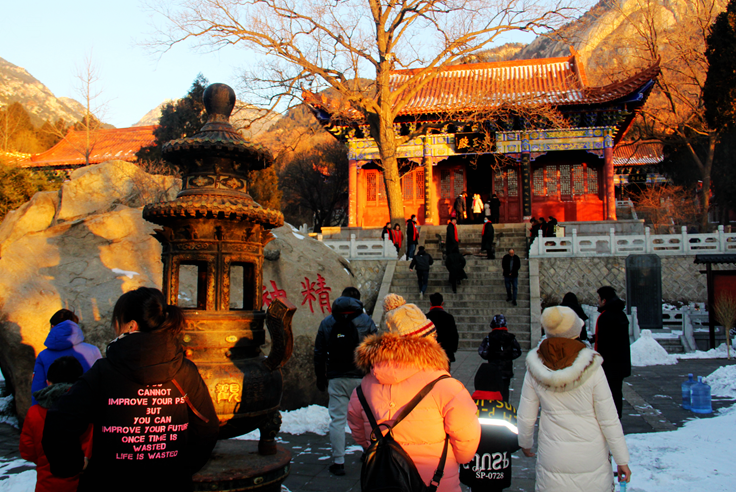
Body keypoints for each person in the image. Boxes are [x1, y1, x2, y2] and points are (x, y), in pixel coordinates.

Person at [42, 287, 219, 492]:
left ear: (131, 326)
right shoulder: (185, 371)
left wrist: (71, 465)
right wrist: (179, 469)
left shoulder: (103, 372)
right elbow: (207, 427)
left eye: (117, 321)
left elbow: (60, 422)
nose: (114, 327)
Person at [347, 294, 481, 492]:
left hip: (383, 479)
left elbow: (358, 429)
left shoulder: (366, 385)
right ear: (426, 341)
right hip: (436, 482)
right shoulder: (446, 386)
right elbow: (466, 445)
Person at [517, 306, 631, 492]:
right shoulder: (591, 366)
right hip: (591, 455)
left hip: (554, 455)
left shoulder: (536, 366)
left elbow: (526, 414)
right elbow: (608, 418)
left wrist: (525, 442)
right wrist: (622, 459)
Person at [314, 287, 378, 476]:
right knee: (367, 417)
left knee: (337, 420)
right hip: (361, 377)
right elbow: (376, 351)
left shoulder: (327, 322)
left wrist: (320, 376)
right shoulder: (366, 321)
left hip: (336, 377)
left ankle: (338, 461)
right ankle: (369, 453)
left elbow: (319, 352)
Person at [21, 356, 93, 492]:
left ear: (48, 382)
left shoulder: (34, 413)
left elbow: (27, 451)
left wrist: (45, 460)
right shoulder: (91, 408)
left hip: (47, 484)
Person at [461, 365, 520, 492]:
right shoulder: (508, 410)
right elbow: (518, 441)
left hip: (472, 469)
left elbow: (456, 436)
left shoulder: (466, 409)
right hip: (499, 471)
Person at [31, 309, 102, 405]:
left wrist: (37, 411)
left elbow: (38, 389)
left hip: (53, 409)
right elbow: (102, 382)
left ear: (52, 327)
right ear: (76, 327)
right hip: (86, 408)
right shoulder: (93, 350)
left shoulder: (43, 355)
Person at [594, 286, 631, 419]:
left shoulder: (605, 316)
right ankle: (616, 418)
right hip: (621, 362)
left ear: (604, 300)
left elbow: (604, 343)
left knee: (608, 394)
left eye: (599, 298)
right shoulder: (620, 314)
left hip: (609, 364)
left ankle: (611, 420)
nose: (598, 301)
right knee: (616, 393)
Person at [478, 314, 522, 402]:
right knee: (505, 391)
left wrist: (491, 356)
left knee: (494, 392)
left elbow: (483, 352)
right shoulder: (510, 338)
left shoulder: (489, 338)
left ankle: (494, 407)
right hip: (506, 370)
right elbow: (518, 351)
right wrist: (508, 356)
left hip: (493, 369)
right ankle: (504, 407)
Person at [426, 293, 459, 366]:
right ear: (442, 303)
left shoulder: (426, 317)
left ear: (430, 303)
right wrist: (452, 349)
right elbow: (454, 334)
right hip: (445, 351)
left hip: (430, 352)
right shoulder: (449, 317)